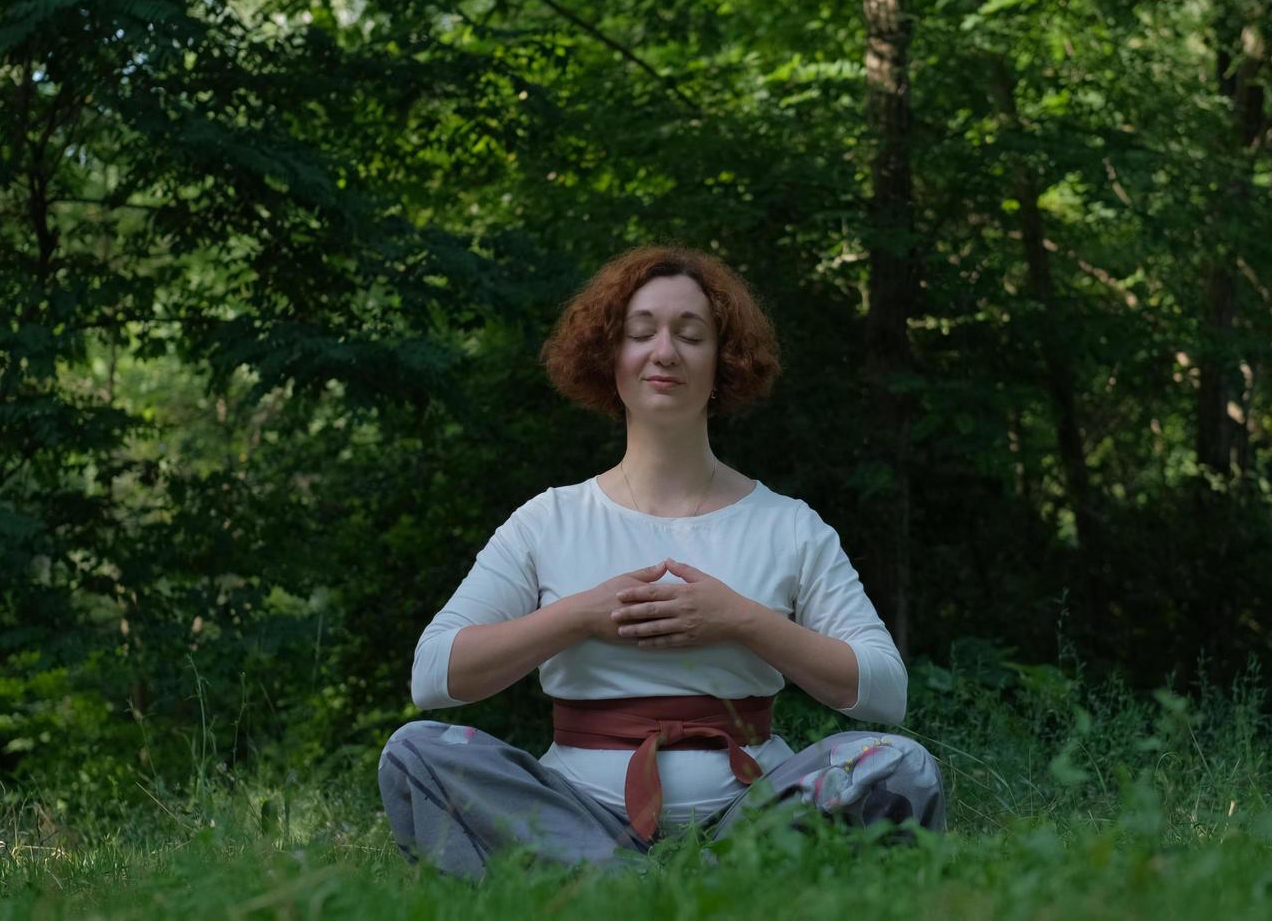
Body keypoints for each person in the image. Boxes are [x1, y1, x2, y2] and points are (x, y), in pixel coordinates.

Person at [377, 246, 945, 878]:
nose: (665, 352)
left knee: (898, 761)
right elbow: (433, 675)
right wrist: (578, 617)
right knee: (415, 752)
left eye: (691, 335)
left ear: (724, 361)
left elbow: (885, 693)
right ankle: (644, 884)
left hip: (751, 818)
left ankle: (640, 888)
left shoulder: (788, 525)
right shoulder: (549, 519)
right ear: (607, 356)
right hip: (579, 816)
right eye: (640, 332)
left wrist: (741, 620)